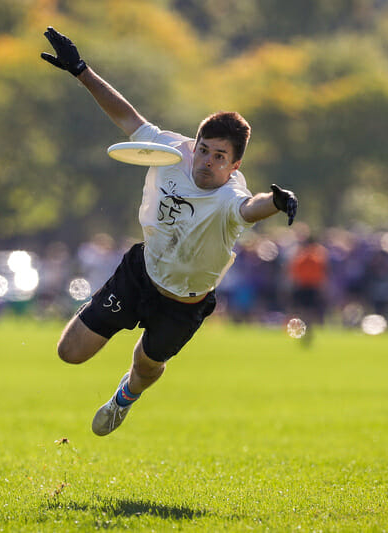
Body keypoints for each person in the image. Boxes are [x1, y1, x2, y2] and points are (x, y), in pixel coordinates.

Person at [42, 27, 298, 436]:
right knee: (69, 353)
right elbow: (127, 117)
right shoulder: (169, 151)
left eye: (219, 157)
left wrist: (278, 202)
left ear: (234, 166)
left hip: (185, 302)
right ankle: (106, 314)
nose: (206, 161)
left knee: (145, 366)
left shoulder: (232, 196)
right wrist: (80, 70)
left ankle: (125, 396)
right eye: (203, 149)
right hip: (140, 273)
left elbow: (250, 211)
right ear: (194, 144)